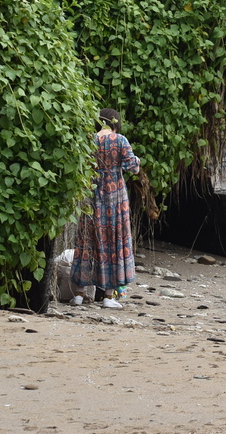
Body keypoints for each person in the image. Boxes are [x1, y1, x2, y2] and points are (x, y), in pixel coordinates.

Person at [71, 109, 141, 309]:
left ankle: (78, 294)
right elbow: (132, 167)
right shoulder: (120, 140)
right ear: (115, 122)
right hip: (114, 198)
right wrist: (137, 161)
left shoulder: (88, 140)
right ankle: (108, 297)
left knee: (87, 241)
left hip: (91, 195)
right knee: (112, 241)